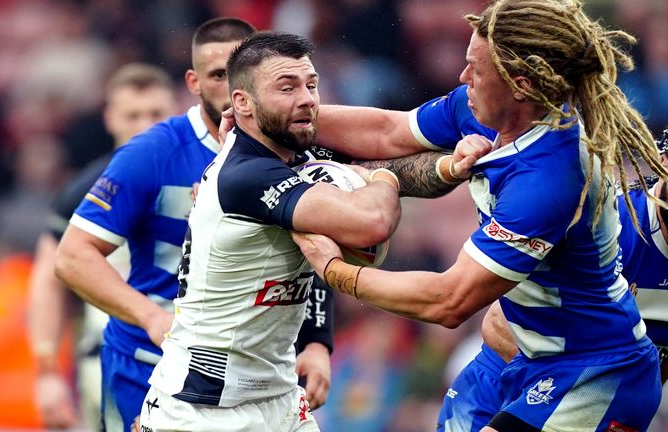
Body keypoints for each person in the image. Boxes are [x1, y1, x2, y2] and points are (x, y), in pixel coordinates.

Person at [290, 0, 668, 430]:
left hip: (591, 372)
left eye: (474, 67)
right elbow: (388, 130)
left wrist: (333, 270)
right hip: (517, 356)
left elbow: (449, 300)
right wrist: (284, 120)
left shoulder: (551, 176)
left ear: (521, 85)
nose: (462, 77)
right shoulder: (489, 112)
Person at [54, 19, 334, 432]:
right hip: (151, 366)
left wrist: (316, 340)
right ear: (194, 82)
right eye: (218, 74)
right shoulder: (153, 152)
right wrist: (151, 317)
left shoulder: (296, 144)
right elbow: (71, 257)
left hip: (261, 378)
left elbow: (310, 247)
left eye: (239, 71)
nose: (229, 87)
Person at [138, 31, 401, 432]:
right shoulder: (246, 176)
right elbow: (373, 221)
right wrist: (382, 177)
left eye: (311, 85)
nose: (308, 99)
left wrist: (457, 163)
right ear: (241, 102)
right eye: (287, 87)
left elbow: (308, 259)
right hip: (204, 410)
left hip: (278, 400)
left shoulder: (292, 160)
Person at [437, 113, 668, 432]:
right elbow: (497, 324)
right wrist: (583, 390)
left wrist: (624, 400)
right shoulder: (609, 226)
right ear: (662, 166)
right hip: (498, 393)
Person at [28, 62, 179, 430]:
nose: (145, 124)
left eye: (155, 113)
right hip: (107, 361)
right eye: (132, 115)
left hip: (187, 356)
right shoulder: (87, 187)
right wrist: (47, 371)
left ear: (175, 113)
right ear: (110, 118)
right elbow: (49, 278)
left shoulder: (201, 176)